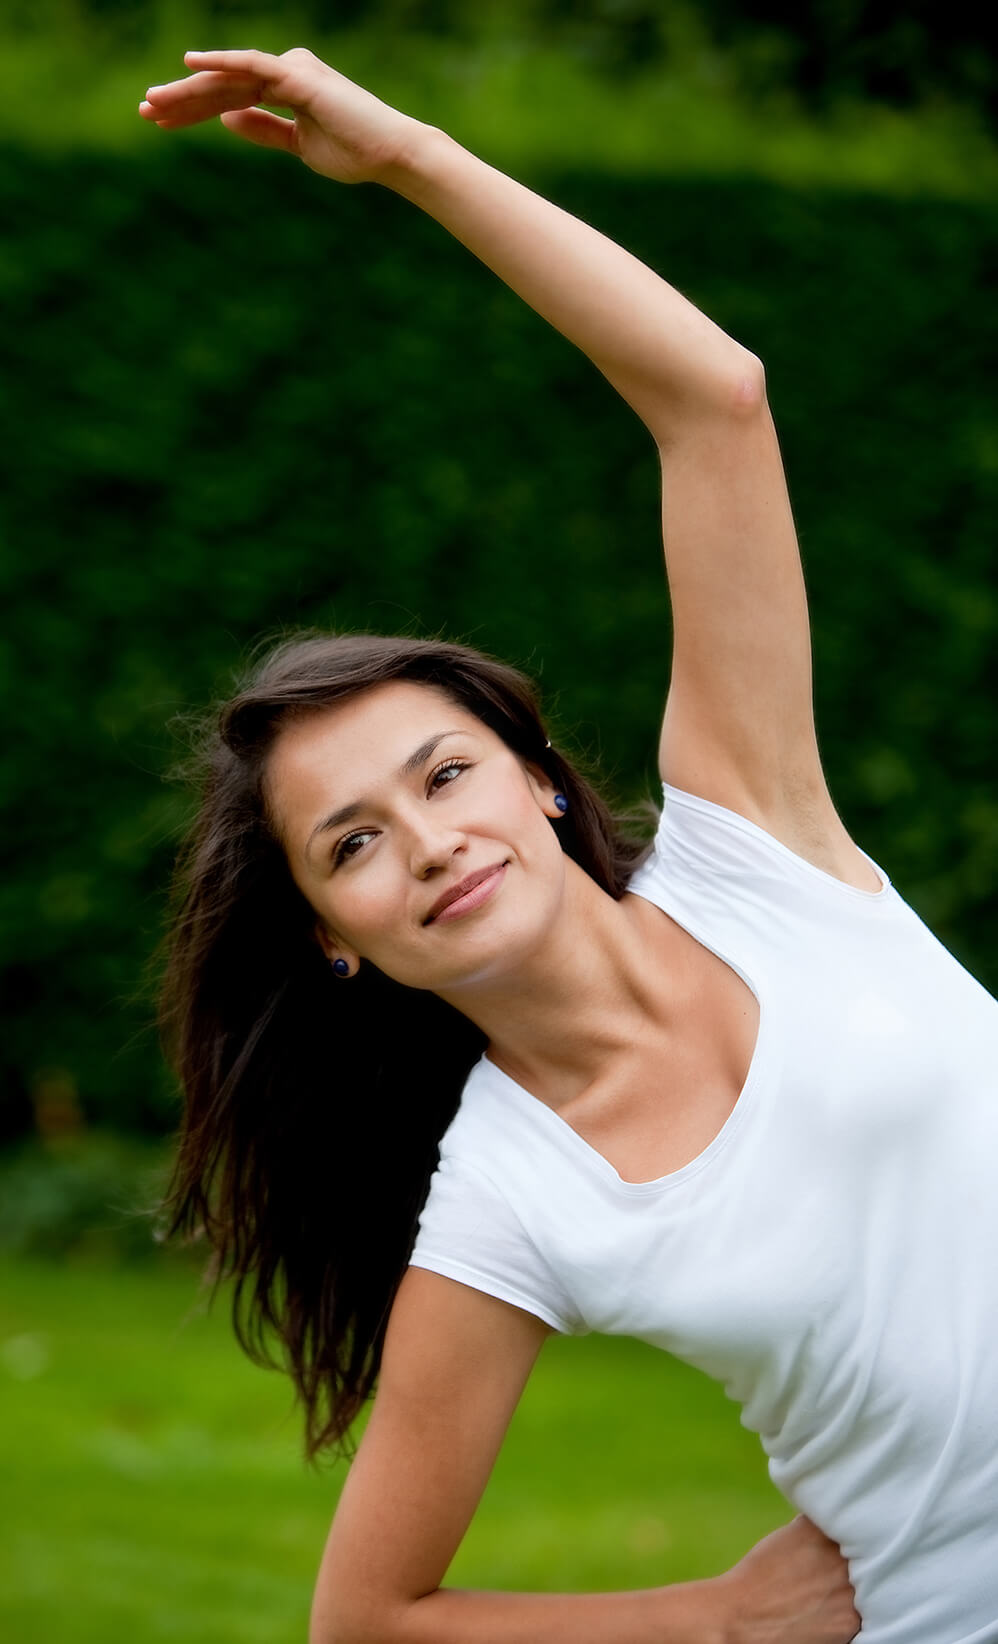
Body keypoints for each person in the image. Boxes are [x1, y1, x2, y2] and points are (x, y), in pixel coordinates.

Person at [142, 47, 997, 1644]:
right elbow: (366, 1621)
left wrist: (404, 155)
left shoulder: (757, 847)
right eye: (354, 843)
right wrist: (715, 1621)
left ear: (537, 779)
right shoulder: (512, 1200)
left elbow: (714, 399)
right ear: (338, 935)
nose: (430, 841)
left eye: (445, 771)